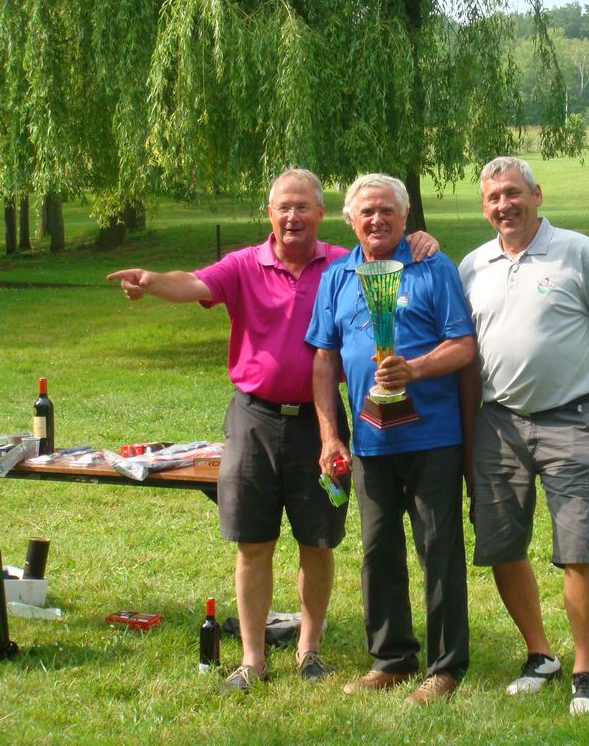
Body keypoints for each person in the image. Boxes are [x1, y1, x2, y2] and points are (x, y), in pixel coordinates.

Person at [107, 169, 437, 695]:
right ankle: (253, 658)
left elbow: (391, 257)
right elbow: (194, 283)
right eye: (284, 207)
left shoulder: (342, 264)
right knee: (253, 541)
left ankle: (309, 649)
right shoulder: (244, 264)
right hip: (254, 419)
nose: (293, 216)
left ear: (321, 214)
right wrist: (150, 281)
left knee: (318, 540)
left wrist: (420, 240)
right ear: (270, 213)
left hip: (319, 421)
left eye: (303, 206)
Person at [458, 156, 589, 715]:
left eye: (513, 193)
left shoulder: (579, 252)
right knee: (501, 543)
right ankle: (540, 654)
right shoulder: (472, 266)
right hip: (498, 424)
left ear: (537, 195)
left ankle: (585, 669)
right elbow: (465, 353)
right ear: (484, 207)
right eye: (493, 198)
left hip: (571, 418)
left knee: (579, 545)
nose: (504, 205)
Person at [306, 173, 475, 705]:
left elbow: (463, 345)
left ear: (405, 217)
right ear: (350, 221)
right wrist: (330, 435)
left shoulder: (432, 266)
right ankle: (392, 659)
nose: (377, 220)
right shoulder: (337, 276)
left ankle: (444, 667)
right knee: (378, 550)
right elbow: (324, 358)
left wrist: (415, 369)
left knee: (437, 549)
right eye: (367, 212)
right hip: (369, 442)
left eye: (387, 211)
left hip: (432, 437)